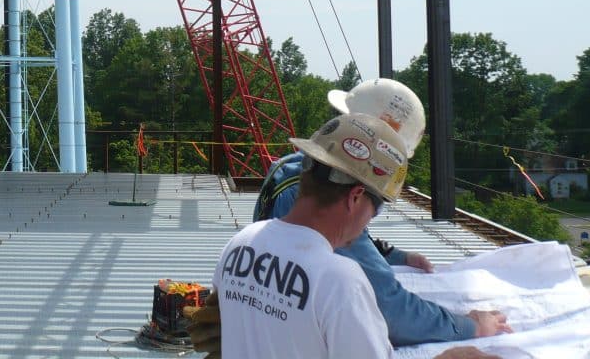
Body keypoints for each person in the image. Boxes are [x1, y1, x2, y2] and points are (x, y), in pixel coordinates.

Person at [203, 113, 507, 359]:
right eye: (375, 211)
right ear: (356, 197)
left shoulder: (240, 243)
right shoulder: (340, 280)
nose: (367, 225)